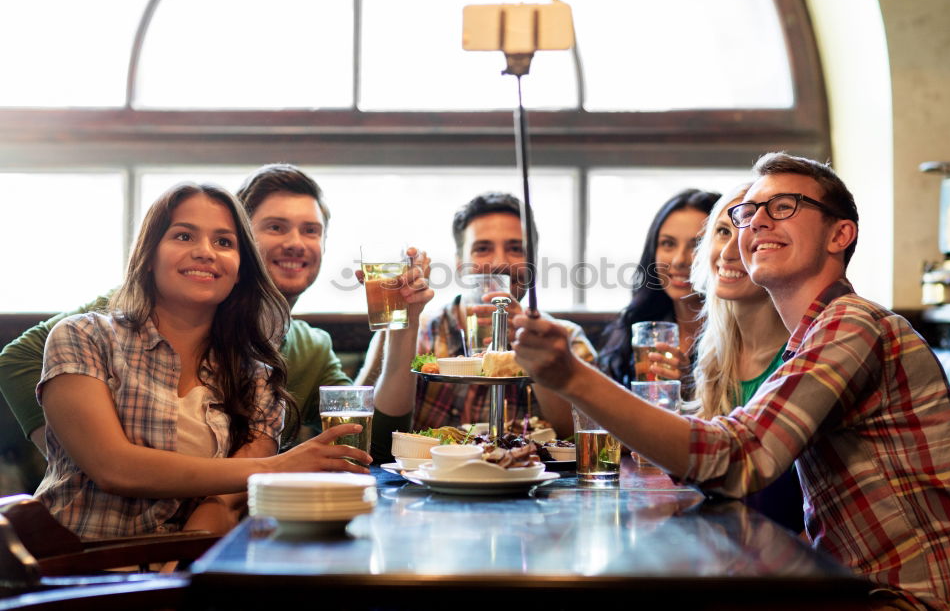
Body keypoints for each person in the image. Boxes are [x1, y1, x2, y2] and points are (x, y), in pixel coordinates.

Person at [512, 153, 950, 609]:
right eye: (746, 213)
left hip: (939, 594)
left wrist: (573, 377)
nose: (758, 221)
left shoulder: (852, 322)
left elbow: (737, 458)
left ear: (840, 235)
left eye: (784, 207)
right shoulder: (811, 336)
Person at [0, 164, 433, 461]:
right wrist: (81, 451)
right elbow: (15, 360)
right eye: (276, 227)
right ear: (241, 239)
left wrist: (404, 326)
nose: (297, 242)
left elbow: (370, 444)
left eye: (311, 230)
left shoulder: (308, 345)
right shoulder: (139, 308)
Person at [34, 183, 374, 539]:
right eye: (183, 236)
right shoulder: (83, 336)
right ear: (149, 255)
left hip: (185, 571)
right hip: (72, 573)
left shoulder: (259, 374)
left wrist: (179, 568)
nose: (205, 252)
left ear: (241, 268)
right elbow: (115, 468)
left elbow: (224, 502)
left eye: (224, 242)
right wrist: (276, 466)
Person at [357, 192, 595, 437]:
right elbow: (368, 438)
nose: (500, 263)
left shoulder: (567, 339)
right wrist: (403, 322)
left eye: (516, 249)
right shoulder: (421, 331)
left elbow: (587, 437)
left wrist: (534, 348)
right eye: (482, 249)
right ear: (460, 264)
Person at [688, 184, 801, 533]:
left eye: (750, 233)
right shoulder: (715, 354)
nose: (729, 250)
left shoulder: (802, 356)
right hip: (731, 547)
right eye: (723, 231)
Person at [596, 189, 719, 390]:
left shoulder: (739, 337)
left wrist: (691, 386)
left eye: (698, 245)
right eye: (668, 244)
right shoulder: (638, 325)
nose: (680, 260)